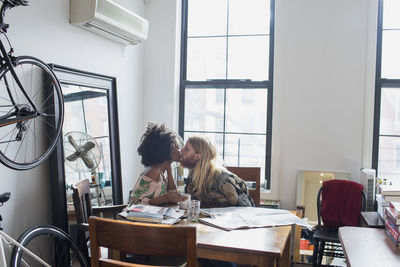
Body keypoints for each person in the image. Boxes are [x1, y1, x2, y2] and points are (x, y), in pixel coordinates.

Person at [181, 136, 254, 208]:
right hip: (205, 218)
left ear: (197, 156)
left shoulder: (224, 180)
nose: (181, 151)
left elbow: (246, 209)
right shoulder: (192, 176)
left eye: (186, 149)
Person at [129, 122, 187, 205]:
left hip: (151, 216)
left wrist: (169, 167)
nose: (180, 151)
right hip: (134, 217)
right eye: (177, 148)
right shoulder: (153, 171)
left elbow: (173, 194)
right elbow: (137, 204)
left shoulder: (161, 170)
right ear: (168, 150)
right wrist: (165, 197)